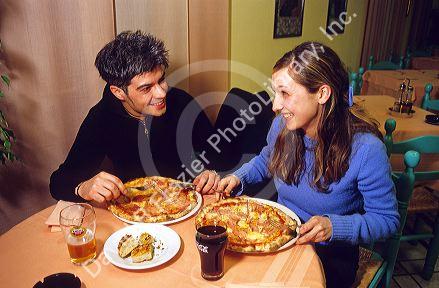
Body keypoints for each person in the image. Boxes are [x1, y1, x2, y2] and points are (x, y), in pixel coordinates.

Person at [215, 42, 399, 288]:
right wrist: (238, 178)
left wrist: (334, 227)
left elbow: (387, 220)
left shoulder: (366, 150)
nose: (275, 105)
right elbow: (265, 160)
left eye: (285, 94)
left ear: (322, 94)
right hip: (279, 236)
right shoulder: (283, 126)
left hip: (331, 256)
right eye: (275, 93)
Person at [50, 31, 218, 203]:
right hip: (135, 210)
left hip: (185, 201)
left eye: (161, 80)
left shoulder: (182, 102)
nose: (161, 93)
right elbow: (58, 182)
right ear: (118, 92)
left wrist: (212, 172)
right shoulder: (100, 118)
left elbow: (219, 152)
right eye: (146, 88)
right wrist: (82, 187)